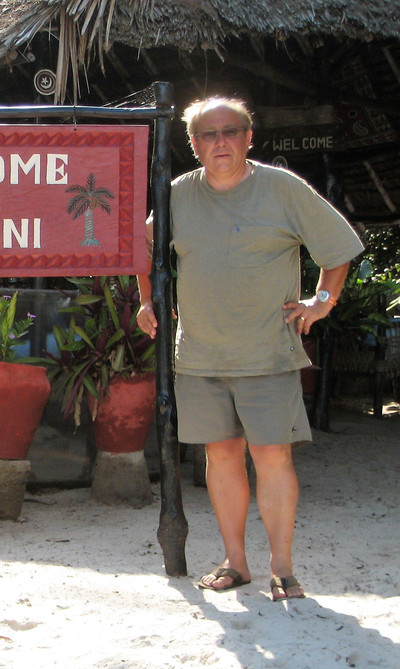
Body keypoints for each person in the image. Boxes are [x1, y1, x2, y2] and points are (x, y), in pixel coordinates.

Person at [137, 97, 363, 601]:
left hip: (268, 353)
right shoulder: (177, 194)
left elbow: (338, 247)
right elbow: (143, 248)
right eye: (208, 134)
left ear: (249, 136)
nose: (220, 142)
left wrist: (321, 301)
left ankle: (283, 567)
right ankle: (235, 563)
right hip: (199, 356)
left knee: (272, 457)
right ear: (192, 145)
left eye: (231, 131)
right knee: (221, 458)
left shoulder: (282, 189)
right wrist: (146, 299)